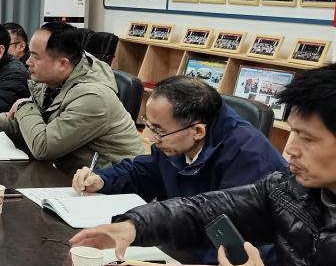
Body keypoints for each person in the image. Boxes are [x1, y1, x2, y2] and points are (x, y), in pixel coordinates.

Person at [71, 65, 336, 266]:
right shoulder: (289, 188)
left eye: (307, 139)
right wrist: (134, 226)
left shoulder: (252, 156)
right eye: (294, 133)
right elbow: (208, 208)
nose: (291, 150)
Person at [0, 21, 142, 175]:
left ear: (62, 63)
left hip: (110, 187)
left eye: (35, 57)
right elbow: (28, 124)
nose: (27, 62)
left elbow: (43, 146)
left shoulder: (93, 98)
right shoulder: (52, 80)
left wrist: (24, 106)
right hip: (69, 175)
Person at [73, 75, 287, 200]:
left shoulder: (250, 158)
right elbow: (144, 172)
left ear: (198, 131)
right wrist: (103, 179)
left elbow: (228, 227)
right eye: (148, 124)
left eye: (158, 130)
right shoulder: (175, 141)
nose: (150, 138)